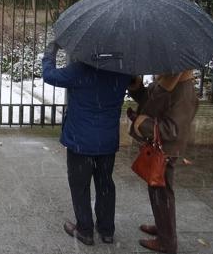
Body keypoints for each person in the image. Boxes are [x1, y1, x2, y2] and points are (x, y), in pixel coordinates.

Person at [42, 42, 134, 245]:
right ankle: (107, 230)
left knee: (80, 184)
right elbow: (135, 84)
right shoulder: (122, 71)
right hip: (107, 141)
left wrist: (51, 52)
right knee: (105, 183)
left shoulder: (80, 71)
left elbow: (49, 76)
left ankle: (85, 229)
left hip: (80, 141)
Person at [127, 71, 198, 254]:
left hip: (167, 149)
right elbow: (153, 103)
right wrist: (137, 88)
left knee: (162, 193)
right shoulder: (169, 79)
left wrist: (143, 124)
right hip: (161, 147)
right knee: (157, 190)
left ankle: (167, 243)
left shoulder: (183, 88)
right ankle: (162, 226)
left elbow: (173, 129)